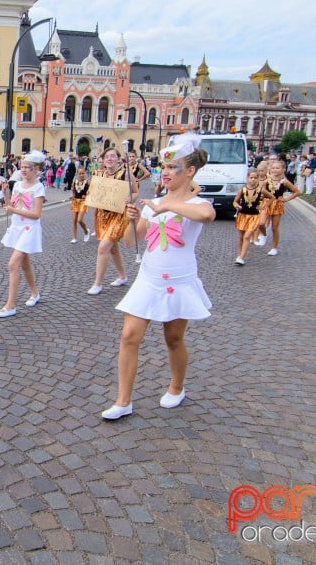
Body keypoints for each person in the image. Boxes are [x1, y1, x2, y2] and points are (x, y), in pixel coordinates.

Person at [101, 133, 214, 420]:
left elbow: (206, 215)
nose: (165, 173)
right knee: (129, 336)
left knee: (173, 338)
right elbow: (129, 243)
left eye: (172, 167)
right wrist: (132, 219)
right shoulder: (154, 204)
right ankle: (123, 400)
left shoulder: (196, 202)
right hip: (148, 279)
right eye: (163, 168)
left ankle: (177, 387)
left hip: (179, 281)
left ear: (189, 171)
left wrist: (168, 206)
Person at [0, 151, 46, 317]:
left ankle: (10, 306)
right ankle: (35, 293)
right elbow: (11, 206)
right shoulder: (17, 185)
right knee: (25, 264)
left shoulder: (39, 187)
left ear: (36, 169)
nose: (23, 170)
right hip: (17, 227)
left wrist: (13, 209)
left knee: (13, 264)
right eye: (22, 167)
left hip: (30, 229)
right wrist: (6, 192)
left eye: (27, 167)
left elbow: (36, 214)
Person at [86, 147, 137, 295]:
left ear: (118, 159)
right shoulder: (98, 174)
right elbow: (92, 192)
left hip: (119, 215)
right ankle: (122, 276)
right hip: (102, 215)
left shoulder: (125, 174)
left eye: (113, 156)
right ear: (103, 159)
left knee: (103, 247)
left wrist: (130, 198)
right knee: (113, 248)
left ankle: (98, 283)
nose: (109, 159)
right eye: (107, 156)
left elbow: (135, 191)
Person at [232, 169, 272, 265]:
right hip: (242, 215)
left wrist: (263, 206)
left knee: (247, 236)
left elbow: (272, 197)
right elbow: (235, 201)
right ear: (247, 178)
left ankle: (241, 258)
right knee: (241, 236)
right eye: (251, 178)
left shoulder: (261, 190)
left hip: (254, 216)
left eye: (255, 178)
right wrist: (237, 205)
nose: (253, 180)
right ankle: (240, 254)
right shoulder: (242, 190)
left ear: (258, 179)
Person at [262, 159, 299, 256]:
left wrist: (286, 199)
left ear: (283, 169)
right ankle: (263, 236)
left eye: (278, 168)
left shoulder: (285, 181)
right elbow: (261, 191)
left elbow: (297, 192)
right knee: (261, 223)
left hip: (277, 204)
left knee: (275, 227)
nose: (275, 170)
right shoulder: (267, 180)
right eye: (273, 168)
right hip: (266, 203)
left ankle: (274, 248)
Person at [69, 167, 90, 243]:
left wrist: (86, 196)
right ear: (77, 174)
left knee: (79, 220)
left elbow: (91, 192)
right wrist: (72, 195)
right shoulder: (74, 181)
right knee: (74, 220)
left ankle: (86, 231)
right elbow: (73, 190)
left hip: (83, 202)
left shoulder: (87, 182)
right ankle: (74, 238)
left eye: (83, 173)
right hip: (75, 201)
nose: (81, 175)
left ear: (85, 173)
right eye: (79, 173)